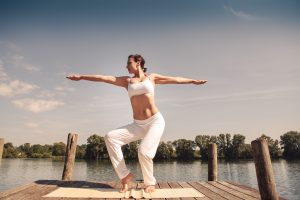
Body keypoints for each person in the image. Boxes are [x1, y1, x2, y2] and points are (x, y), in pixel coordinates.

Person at [66, 54, 207, 193]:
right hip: (138, 124)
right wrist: (81, 77)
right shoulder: (127, 81)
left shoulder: (152, 78)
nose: (126, 66)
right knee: (110, 137)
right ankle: (125, 176)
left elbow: (175, 79)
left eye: (129, 63)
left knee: (144, 152)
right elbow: (104, 78)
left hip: (155, 121)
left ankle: (150, 182)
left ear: (138, 62)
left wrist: (193, 81)